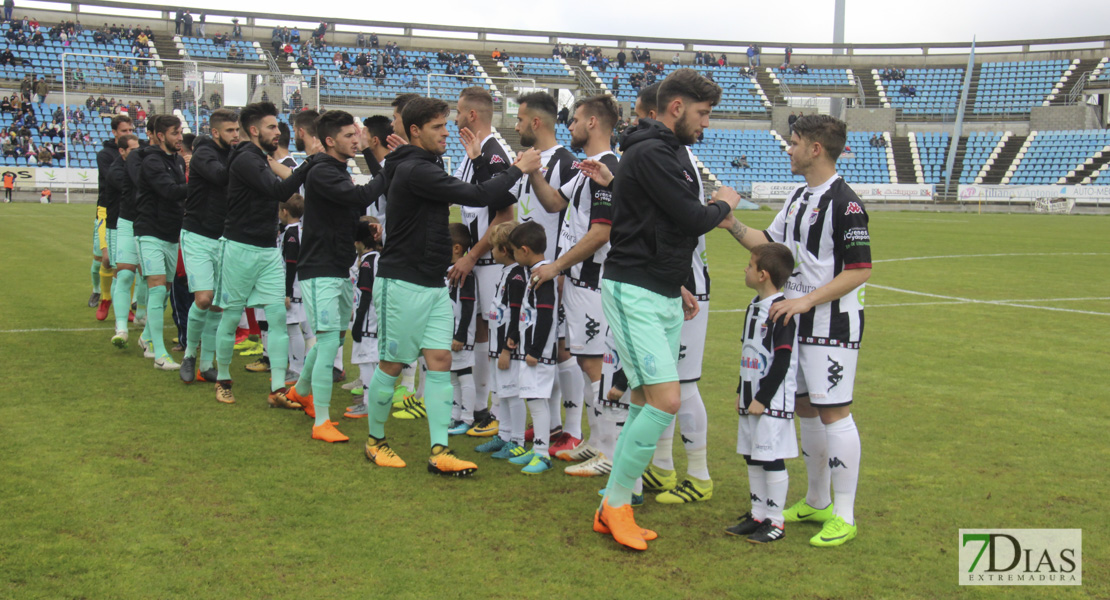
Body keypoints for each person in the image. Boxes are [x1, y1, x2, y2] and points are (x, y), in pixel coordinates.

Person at [593, 69, 740, 551]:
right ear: (676, 108)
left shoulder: (668, 152)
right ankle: (617, 505)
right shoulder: (653, 151)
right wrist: (723, 204)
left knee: (643, 400)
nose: (707, 124)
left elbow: (654, 225)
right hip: (634, 289)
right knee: (666, 401)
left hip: (658, 288)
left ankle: (612, 505)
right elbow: (692, 220)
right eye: (703, 113)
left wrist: (676, 282)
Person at [358, 96, 540, 474]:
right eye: (438, 127)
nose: (447, 132)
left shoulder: (421, 162)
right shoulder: (415, 170)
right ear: (414, 131)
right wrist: (518, 168)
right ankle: (375, 441)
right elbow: (479, 195)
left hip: (432, 283)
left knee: (440, 361)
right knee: (392, 364)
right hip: (403, 282)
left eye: (446, 123)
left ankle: (439, 450)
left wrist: (473, 159)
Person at [717, 113, 871, 547]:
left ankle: (845, 514)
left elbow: (860, 269)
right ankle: (817, 500)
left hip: (831, 325)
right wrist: (731, 224)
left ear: (815, 149)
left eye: (795, 141)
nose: (789, 148)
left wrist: (805, 299)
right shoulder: (799, 197)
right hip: (796, 321)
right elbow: (771, 245)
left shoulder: (846, 203)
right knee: (806, 410)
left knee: (834, 410)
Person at [523, 94, 619, 474]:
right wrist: (532, 171)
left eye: (576, 119)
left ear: (593, 122)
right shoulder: (585, 168)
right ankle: (594, 442)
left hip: (594, 284)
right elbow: (552, 204)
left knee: (596, 364)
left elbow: (600, 233)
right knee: (584, 359)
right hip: (579, 282)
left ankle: (608, 454)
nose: (571, 126)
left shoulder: (608, 169)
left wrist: (556, 266)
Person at [283, 110, 385, 442]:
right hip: (321, 268)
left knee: (332, 338)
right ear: (330, 140)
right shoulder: (324, 171)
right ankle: (321, 421)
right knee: (327, 341)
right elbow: (359, 197)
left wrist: (360, 226)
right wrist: (388, 167)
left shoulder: (335, 169)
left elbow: (342, 213)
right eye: (348, 136)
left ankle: (299, 391)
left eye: (357, 135)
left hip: (338, 266)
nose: (356, 140)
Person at [213, 102, 310, 406]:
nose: (278, 131)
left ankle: (278, 388)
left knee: (277, 318)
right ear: (254, 131)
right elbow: (281, 192)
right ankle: (223, 380)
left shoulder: (260, 158)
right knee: (230, 317)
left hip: (267, 250)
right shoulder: (245, 159)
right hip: (240, 249)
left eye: (278, 126)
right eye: (271, 126)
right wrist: (310, 164)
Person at [447, 87, 521, 438]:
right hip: (477, 262)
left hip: (491, 264)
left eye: (459, 112)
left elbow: (505, 214)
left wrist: (472, 255)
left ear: (472, 116)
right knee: (478, 334)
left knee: (493, 337)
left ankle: (493, 413)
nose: (455, 117)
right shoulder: (473, 152)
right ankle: (477, 409)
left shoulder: (492, 155)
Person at [512, 92, 583, 454]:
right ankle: (551, 425)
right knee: (547, 347)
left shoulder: (567, 163)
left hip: (556, 273)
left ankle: (573, 429)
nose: (517, 125)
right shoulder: (529, 160)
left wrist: (559, 267)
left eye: (521, 119)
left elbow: (571, 219)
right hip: (534, 270)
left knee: (563, 348)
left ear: (536, 122)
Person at [726, 242, 798, 544]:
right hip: (750, 397)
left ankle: (775, 520)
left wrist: (762, 398)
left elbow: (781, 361)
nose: (745, 268)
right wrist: (743, 393)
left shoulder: (782, 311)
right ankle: (757, 514)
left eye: (750, 264)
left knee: (770, 458)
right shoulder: (754, 306)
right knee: (751, 456)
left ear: (763, 275)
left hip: (769, 402)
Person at [178, 108, 239, 384]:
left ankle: (206, 364)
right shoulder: (204, 153)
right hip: (198, 235)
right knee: (203, 299)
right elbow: (221, 177)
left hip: (224, 239)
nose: (235, 135)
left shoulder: (236, 154)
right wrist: (244, 157)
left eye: (237, 130)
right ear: (215, 132)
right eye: (230, 131)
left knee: (217, 305)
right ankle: (190, 355)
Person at [132, 115, 188, 371]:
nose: (180, 137)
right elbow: (170, 192)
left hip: (170, 233)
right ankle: (160, 355)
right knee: (156, 290)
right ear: (161, 135)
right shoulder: (152, 161)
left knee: (164, 291)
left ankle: (146, 339)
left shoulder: (176, 160)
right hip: (150, 232)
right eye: (175, 133)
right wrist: (200, 183)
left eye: (180, 132)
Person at [474, 221, 525, 457]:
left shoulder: (517, 276)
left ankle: (517, 441)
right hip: (497, 346)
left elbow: (516, 315)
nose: (491, 252)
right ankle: (503, 434)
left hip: (508, 348)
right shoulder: (506, 272)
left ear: (504, 250)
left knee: (512, 392)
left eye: (493, 248)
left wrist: (507, 348)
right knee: (501, 391)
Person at [92, 116, 134, 320]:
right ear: (115, 132)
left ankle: (125, 307)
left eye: (130, 130)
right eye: (124, 131)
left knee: (126, 264)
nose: (128, 134)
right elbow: (117, 180)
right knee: (107, 259)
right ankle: (105, 297)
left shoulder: (136, 151)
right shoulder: (105, 155)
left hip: (128, 211)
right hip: (106, 210)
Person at [346, 219, 382, 419]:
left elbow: (365, 294)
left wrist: (358, 322)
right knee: (372, 361)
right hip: (374, 319)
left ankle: (368, 403)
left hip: (368, 320)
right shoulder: (378, 258)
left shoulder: (368, 262)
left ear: (359, 241)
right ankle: (373, 400)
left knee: (366, 360)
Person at [445, 223, 478, 434]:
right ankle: (455, 415)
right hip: (447, 334)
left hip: (460, 335)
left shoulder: (466, 274)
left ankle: (467, 417)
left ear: (457, 248)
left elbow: (467, 306)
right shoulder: (447, 270)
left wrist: (461, 335)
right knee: (452, 375)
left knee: (464, 374)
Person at [278, 193, 311, 384]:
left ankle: (296, 368)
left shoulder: (291, 234)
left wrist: (287, 292)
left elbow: (290, 264)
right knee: (303, 326)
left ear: (285, 211)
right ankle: (298, 365)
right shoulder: (300, 230)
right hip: (301, 284)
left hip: (294, 286)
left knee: (292, 326)